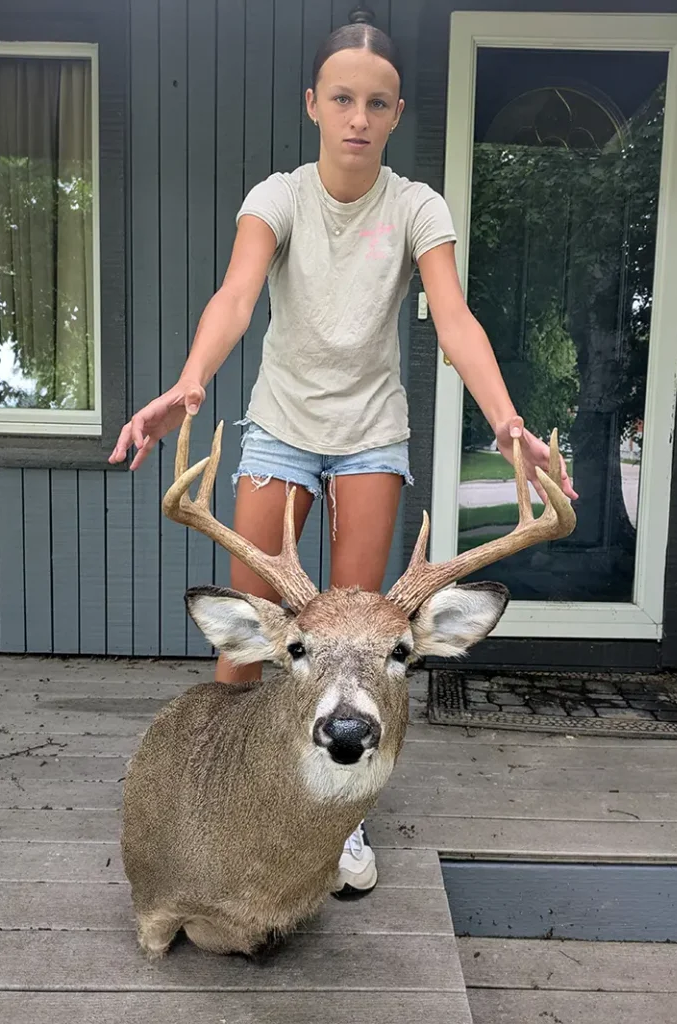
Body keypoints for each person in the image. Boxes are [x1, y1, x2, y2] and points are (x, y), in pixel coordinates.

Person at [109, 8, 577, 899]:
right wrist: (192, 381)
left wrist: (508, 423)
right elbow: (237, 293)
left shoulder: (414, 207)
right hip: (280, 427)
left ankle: (339, 822)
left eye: (375, 102)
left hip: (370, 434)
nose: (357, 117)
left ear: (396, 113)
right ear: (312, 105)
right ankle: (211, 800)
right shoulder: (278, 197)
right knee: (256, 641)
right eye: (341, 99)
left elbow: (454, 317)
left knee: (358, 643)